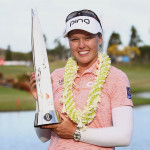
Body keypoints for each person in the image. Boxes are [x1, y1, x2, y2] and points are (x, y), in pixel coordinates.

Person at [30, 9, 133, 150]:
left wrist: (75, 132)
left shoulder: (116, 77)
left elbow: (123, 136)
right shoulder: (56, 76)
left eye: (88, 37)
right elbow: (43, 136)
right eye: (74, 39)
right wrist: (41, 102)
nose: (81, 45)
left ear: (100, 39)